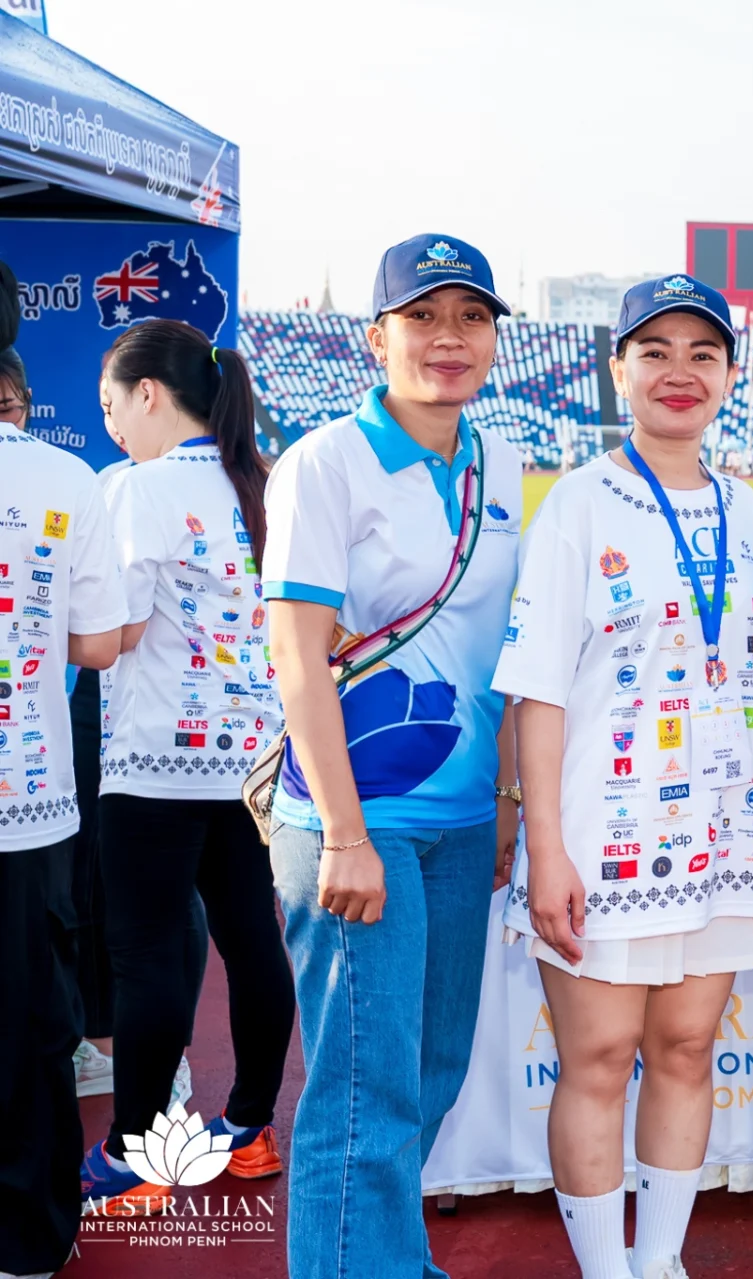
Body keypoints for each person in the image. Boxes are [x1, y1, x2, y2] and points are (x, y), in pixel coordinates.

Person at [495, 275, 753, 1279]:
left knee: (688, 1049)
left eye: (703, 354)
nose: (679, 372)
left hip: (719, 829)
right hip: (600, 831)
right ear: (617, 369)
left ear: (732, 377)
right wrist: (546, 846)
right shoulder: (577, 504)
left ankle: (659, 1260)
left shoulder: (748, 511)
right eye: (654, 351)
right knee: (601, 1056)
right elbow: (537, 690)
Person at [263, 234, 522, 1279]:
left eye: (470, 318)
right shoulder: (325, 462)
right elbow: (297, 657)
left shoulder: (500, 462)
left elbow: (504, 645)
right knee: (361, 1093)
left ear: (497, 337)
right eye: (423, 318)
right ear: (377, 336)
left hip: (458, 825)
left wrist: (502, 803)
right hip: (353, 822)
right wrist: (347, 834)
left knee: (427, 1072)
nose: (448, 339)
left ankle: (393, 1259)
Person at [75, 320, 298, 1216]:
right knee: (252, 942)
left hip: (157, 766)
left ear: (150, 394)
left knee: (148, 958)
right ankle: (249, 1129)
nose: (111, 428)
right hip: (255, 762)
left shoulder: (137, 489)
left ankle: (136, 1158)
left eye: (111, 407)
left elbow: (114, 636)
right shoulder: (263, 482)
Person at [0, 277, 128, 1277]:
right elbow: (93, 646)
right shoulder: (68, 477)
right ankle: (30, 1239)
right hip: (27, 798)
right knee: (32, 1024)